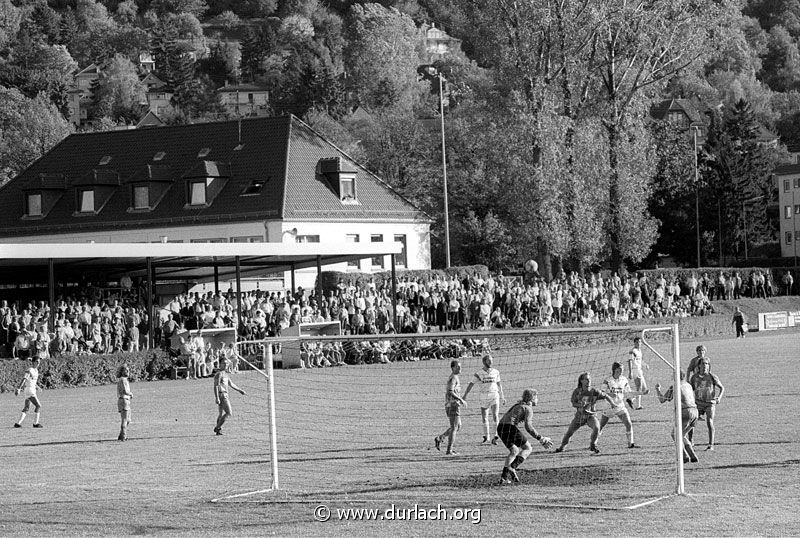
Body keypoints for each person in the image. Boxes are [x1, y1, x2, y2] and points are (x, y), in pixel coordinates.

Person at [496, 389, 553, 484]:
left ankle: (504, 477)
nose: (538, 400)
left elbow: (506, 417)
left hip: (501, 428)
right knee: (528, 448)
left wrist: (497, 436)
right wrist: (541, 438)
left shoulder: (517, 405)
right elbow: (528, 427)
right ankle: (512, 467)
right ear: (532, 398)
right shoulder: (528, 408)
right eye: (536, 397)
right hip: (510, 428)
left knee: (514, 451)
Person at [554, 372, 614, 454]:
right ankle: (562, 447)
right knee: (569, 433)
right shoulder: (577, 392)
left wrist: (612, 403)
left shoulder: (594, 391)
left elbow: (606, 396)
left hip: (591, 416)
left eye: (589, 379)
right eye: (586, 379)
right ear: (581, 381)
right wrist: (579, 405)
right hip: (579, 417)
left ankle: (593, 445)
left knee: (597, 428)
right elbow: (573, 403)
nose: (588, 381)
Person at [597, 362, 648, 449]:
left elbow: (628, 392)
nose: (621, 372)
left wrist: (642, 393)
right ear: (614, 370)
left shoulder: (624, 380)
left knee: (628, 424)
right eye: (619, 370)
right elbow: (601, 393)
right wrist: (609, 394)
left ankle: (630, 444)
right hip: (609, 407)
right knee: (601, 426)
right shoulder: (608, 380)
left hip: (620, 406)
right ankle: (594, 443)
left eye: (622, 370)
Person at [655, 371, 699, 463]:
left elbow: (662, 400)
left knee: (675, 434)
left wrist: (658, 389)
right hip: (695, 412)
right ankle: (693, 456)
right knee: (682, 435)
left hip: (685, 411)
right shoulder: (688, 385)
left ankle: (684, 456)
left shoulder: (675, 386)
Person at [462, 354, 506, 444]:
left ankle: (495, 437)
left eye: (491, 360)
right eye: (489, 361)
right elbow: (471, 384)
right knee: (484, 417)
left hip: (494, 395)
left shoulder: (496, 372)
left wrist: (502, 396)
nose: (491, 362)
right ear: (484, 362)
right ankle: (487, 438)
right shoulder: (478, 374)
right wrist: (465, 395)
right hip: (484, 397)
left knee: (495, 415)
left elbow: (499, 384)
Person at [690, 358, 724, 450]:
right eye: (703, 364)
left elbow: (722, 388)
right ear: (699, 365)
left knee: (709, 422)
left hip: (710, 403)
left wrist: (719, 397)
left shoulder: (712, 377)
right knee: (692, 421)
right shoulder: (694, 377)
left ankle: (711, 445)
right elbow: (690, 389)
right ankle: (690, 441)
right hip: (698, 403)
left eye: (707, 364)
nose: (705, 365)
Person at [434, 359, 467, 456]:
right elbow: (450, 391)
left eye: (460, 366)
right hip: (452, 405)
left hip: (452, 404)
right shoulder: (453, 378)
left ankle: (441, 438)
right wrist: (460, 399)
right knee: (454, 427)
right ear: (453, 368)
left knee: (458, 426)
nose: (460, 368)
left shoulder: (455, 377)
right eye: (458, 366)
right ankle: (449, 450)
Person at [213, 356, 247, 435]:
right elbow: (216, 386)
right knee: (229, 413)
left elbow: (231, 384)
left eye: (226, 363)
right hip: (222, 395)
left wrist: (240, 390)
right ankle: (217, 427)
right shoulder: (219, 374)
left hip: (225, 394)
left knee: (221, 414)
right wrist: (217, 397)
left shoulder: (225, 374)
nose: (225, 365)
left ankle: (218, 430)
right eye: (223, 363)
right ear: (220, 364)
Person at [14, 357, 43, 428]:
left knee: (26, 408)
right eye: (37, 361)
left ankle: (18, 424)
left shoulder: (36, 371)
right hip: (30, 391)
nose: (38, 363)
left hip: (31, 390)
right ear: (33, 362)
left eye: (39, 362)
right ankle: (36, 423)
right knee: (38, 406)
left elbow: (32, 381)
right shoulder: (29, 370)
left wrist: (37, 387)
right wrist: (19, 388)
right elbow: (24, 379)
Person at [627, 336, 649, 410]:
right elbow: (630, 361)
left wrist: (645, 365)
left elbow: (640, 360)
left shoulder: (639, 351)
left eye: (640, 342)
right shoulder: (632, 351)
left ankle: (631, 398)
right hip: (635, 371)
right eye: (637, 342)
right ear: (634, 343)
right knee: (638, 388)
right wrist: (630, 372)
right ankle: (638, 406)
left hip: (640, 370)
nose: (638, 343)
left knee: (645, 389)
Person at [116, 365, 132, 441]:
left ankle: (121, 435)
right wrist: (131, 394)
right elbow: (126, 391)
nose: (128, 372)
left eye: (128, 370)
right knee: (125, 419)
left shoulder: (122, 380)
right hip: (124, 400)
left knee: (128, 419)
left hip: (123, 400)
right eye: (126, 370)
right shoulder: (123, 380)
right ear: (122, 372)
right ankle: (123, 437)